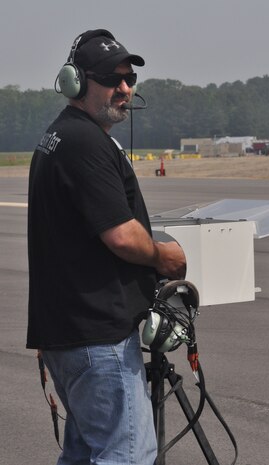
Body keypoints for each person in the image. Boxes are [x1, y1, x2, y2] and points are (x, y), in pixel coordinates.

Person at [27, 29, 186, 465]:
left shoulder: (60, 137)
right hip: (96, 337)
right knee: (127, 453)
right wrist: (163, 256)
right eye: (111, 79)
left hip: (70, 333)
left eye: (129, 78)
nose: (125, 89)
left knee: (85, 453)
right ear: (76, 82)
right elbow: (120, 235)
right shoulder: (84, 143)